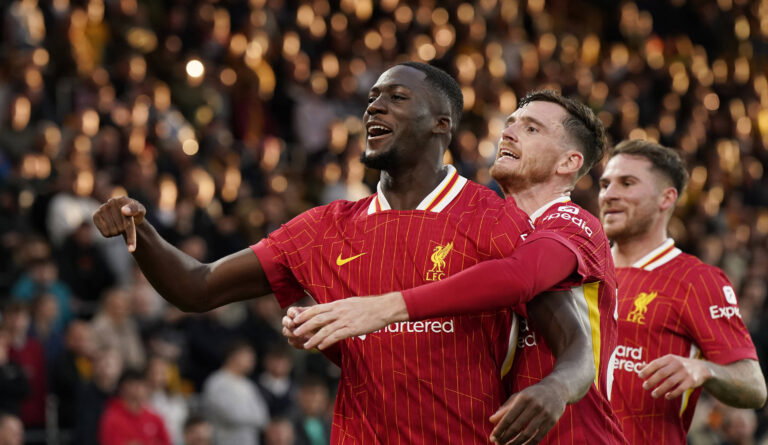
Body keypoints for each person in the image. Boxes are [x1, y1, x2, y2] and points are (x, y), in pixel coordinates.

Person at [93, 62, 591, 443]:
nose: (375, 107)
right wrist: (141, 232)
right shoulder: (324, 229)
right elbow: (196, 287)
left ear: (442, 124)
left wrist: (554, 389)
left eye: (397, 98)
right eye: (372, 99)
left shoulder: (496, 219)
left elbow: (574, 344)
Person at [288, 90, 625, 444]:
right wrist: (326, 327)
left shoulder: (573, 223)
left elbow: (520, 277)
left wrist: (388, 306)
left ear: (568, 163)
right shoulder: (486, 232)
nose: (508, 133)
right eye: (510, 124)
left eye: (531, 129)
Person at [597, 140, 766, 442]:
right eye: (605, 184)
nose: (609, 194)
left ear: (666, 198)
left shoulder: (697, 281)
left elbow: (754, 387)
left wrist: (704, 370)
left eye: (627, 183)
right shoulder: (581, 270)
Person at [201, 341, 269, 445]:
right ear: (233, 357)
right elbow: (233, 416)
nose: (252, 362)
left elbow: (262, 417)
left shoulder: (248, 384)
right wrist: (252, 417)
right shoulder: (217, 381)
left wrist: (251, 418)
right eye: (248, 357)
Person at [99, 369, 172, 445]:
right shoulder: (112, 418)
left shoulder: (155, 418)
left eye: (142, 385)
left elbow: (166, 442)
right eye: (134, 385)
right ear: (122, 388)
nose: (139, 389)